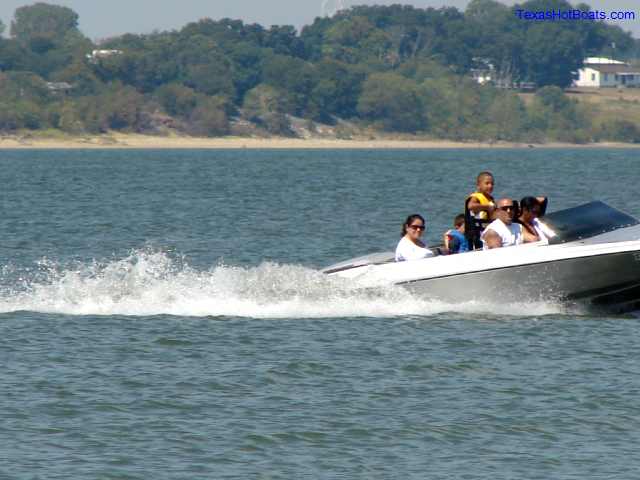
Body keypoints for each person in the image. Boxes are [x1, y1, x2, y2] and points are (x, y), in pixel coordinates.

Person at [465, 171, 496, 250]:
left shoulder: (491, 199)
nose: (490, 186)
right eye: (487, 183)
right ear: (479, 185)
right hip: (475, 233)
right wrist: (487, 207)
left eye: (492, 184)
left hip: (487, 231)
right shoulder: (476, 197)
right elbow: (470, 206)